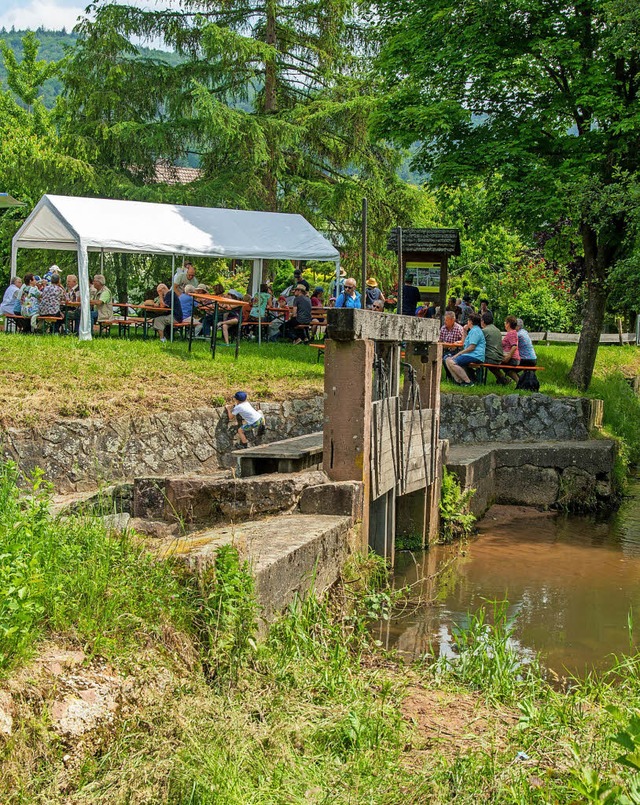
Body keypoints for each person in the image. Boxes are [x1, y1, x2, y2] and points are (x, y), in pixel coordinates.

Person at [445, 312, 485, 386]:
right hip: (470, 355)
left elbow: (472, 347)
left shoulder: (475, 331)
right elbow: (464, 342)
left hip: (475, 355)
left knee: (451, 362)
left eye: (468, 320)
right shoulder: (472, 331)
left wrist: (459, 353)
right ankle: (459, 381)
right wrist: (464, 331)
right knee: (447, 360)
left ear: (471, 322)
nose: (467, 322)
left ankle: (468, 382)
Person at [481, 311, 509, 384]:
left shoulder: (484, 331)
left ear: (483, 321)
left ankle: (477, 380)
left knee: (475, 359)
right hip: (499, 357)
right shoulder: (497, 330)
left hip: (490, 358)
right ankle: (503, 379)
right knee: (492, 366)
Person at [439, 311, 465, 380]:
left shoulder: (459, 329)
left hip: (456, 351)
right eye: (445, 320)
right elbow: (440, 340)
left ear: (452, 320)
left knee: (446, 359)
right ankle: (445, 376)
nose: (445, 321)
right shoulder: (443, 328)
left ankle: (450, 377)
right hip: (444, 349)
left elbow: (464, 342)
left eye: (446, 320)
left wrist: (457, 343)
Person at [501, 315, 521, 382]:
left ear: (508, 324)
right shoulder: (512, 333)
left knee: (495, 363)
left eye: (505, 322)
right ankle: (504, 380)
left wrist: (508, 356)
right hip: (514, 358)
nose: (504, 324)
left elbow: (514, 346)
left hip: (513, 359)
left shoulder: (511, 333)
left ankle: (505, 380)